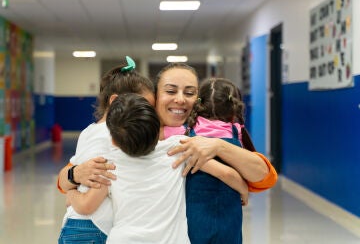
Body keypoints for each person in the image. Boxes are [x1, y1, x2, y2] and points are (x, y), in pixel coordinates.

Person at [60, 63, 277, 241]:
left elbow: (264, 178)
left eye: (190, 93)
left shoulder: (205, 136)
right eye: (170, 91)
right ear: (154, 98)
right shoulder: (131, 135)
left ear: (199, 101)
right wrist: (74, 174)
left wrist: (218, 146)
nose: (180, 99)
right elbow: (66, 181)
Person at [66, 93, 191, 244]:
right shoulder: (178, 148)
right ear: (158, 127)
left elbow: (86, 206)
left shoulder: (110, 165)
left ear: (113, 141)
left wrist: (71, 192)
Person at [57, 56, 155, 244]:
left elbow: (70, 173)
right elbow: (88, 202)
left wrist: (71, 189)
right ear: (114, 101)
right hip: (93, 227)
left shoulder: (89, 131)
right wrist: (72, 194)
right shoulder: (114, 136)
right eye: (143, 106)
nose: (147, 114)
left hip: (76, 223)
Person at [163, 77, 260, 243]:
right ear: (234, 107)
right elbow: (241, 169)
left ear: (199, 104)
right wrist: (244, 190)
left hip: (194, 213)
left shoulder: (182, 132)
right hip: (230, 212)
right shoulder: (236, 131)